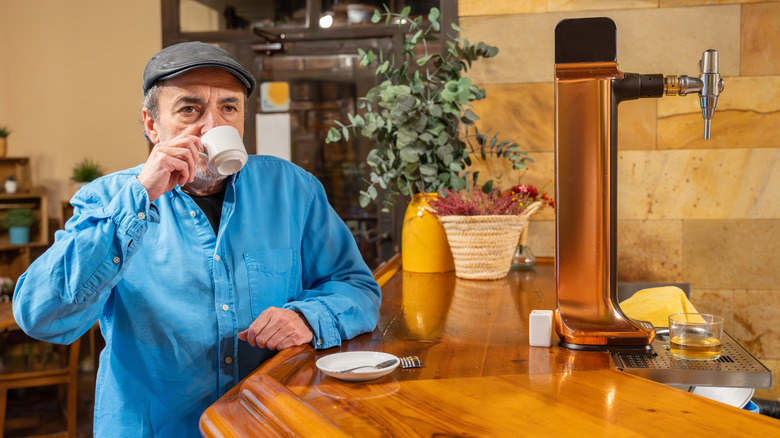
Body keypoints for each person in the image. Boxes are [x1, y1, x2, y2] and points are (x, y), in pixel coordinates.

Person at [12, 42, 381, 437]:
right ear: (152, 125)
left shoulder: (293, 189)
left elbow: (357, 287)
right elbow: (41, 316)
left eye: (229, 108)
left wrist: (308, 317)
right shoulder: (106, 199)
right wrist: (139, 197)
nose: (212, 127)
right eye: (190, 109)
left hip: (268, 424)